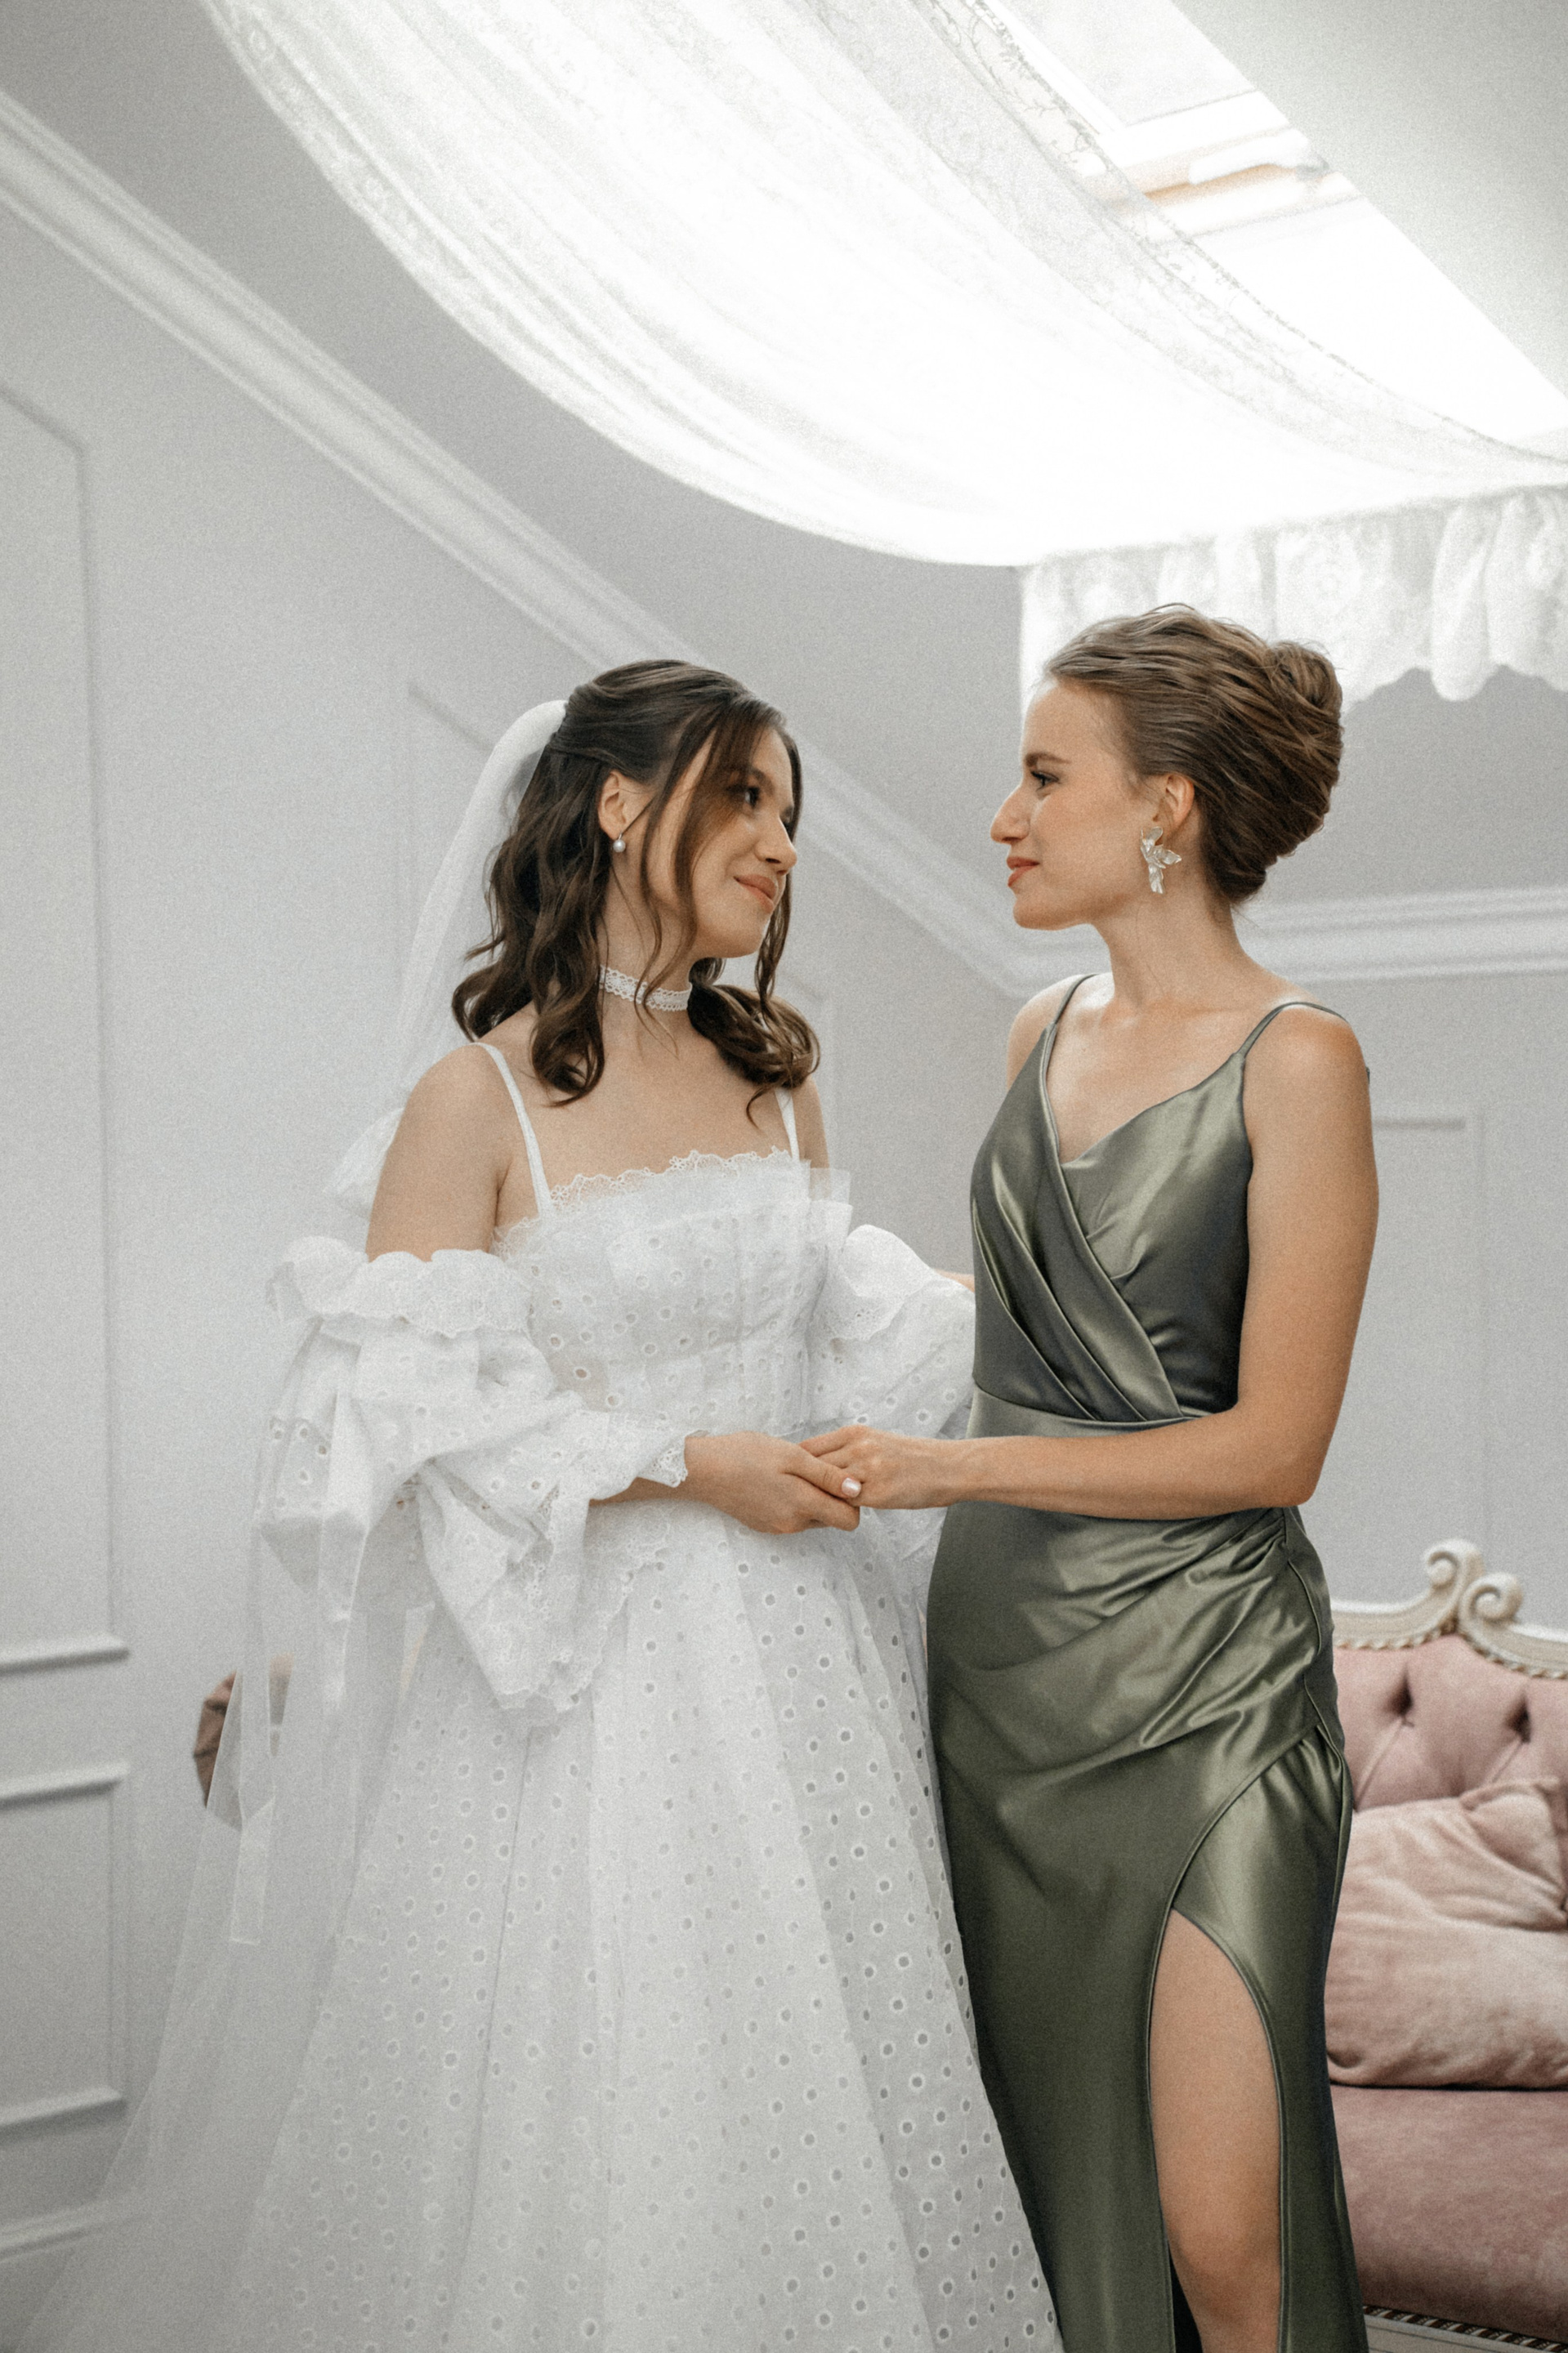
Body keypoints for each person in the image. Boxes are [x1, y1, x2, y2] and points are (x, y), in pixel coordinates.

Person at [25, 661, 1054, 2353]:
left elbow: (851, 1328)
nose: (782, 843)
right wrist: (691, 1462)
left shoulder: (779, 1074)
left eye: (791, 810)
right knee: (598, 2092)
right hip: (585, 1688)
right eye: (744, 796)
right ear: (621, 804)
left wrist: (1080, 1312)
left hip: (808, 1670)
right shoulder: (476, 1099)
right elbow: (415, 1409)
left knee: (803, 2083)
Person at [805, 609, 1378, 2353]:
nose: (1005, 818)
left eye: (1047, 777)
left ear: (1168, 808)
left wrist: (944, 1466)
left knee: (1228, 2232)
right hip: (1006, 1680)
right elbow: (1037, 1325)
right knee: (1051, 2198)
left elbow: (1275, 1446)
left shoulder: (1302, 1058)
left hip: (1213, 1693)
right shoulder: (1034, 1033)